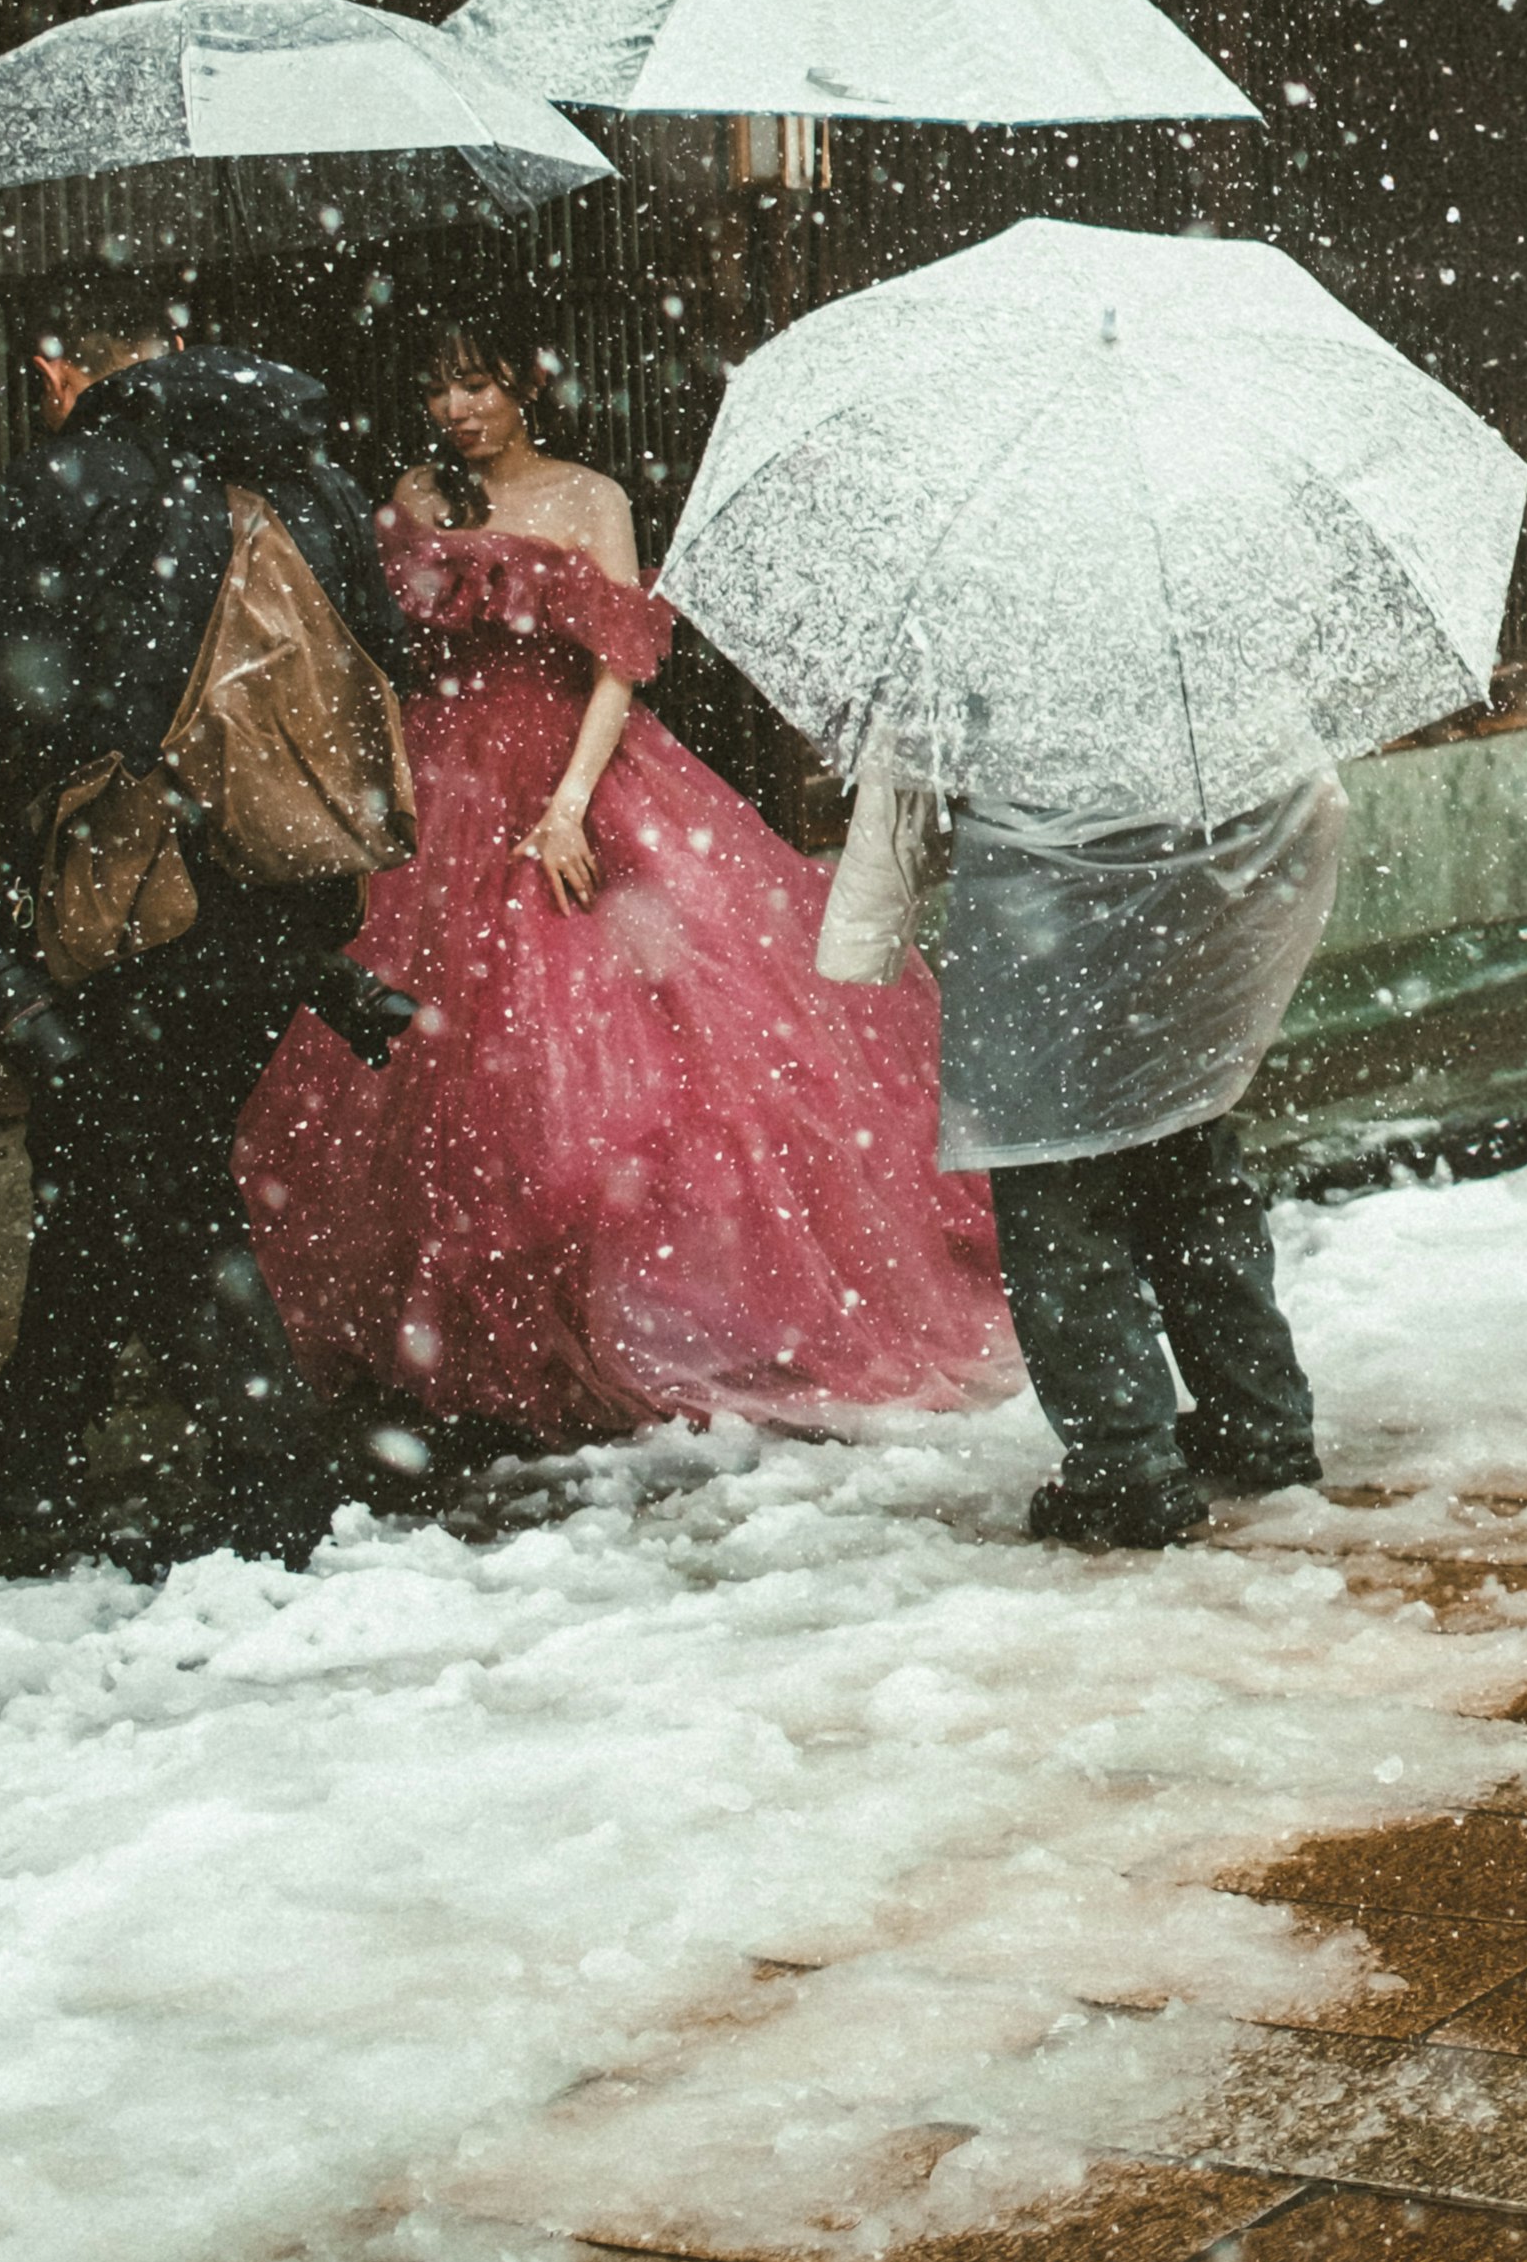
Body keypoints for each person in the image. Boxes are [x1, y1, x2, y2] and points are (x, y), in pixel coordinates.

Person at [235, 325, 1008, 1445]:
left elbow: (618, 667)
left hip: (572, 769)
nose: (457, 408)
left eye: (477, 382)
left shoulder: (589, 496)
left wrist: (564, 804)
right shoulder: (412, 492)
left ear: (524, 384)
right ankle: (460, 1329)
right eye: (437, 387)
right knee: (432, 1058)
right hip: (441, 775)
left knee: (629, 1057)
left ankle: (650, 1319)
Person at [0, 306, 415, 1551]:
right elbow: (385, 657)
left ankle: (271, 1478)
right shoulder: (309, 471)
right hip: (287, 885)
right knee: (105, 1167)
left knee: (147, 1173)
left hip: (143, 888)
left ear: (57, 370)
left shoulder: (71, 476)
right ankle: (24, 1457)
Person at [821, 720, 1346, 1550]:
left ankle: (1127, 1470)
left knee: (1058, 1201)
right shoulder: (1192, 620)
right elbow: (1304, 784)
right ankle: (1261, 1424)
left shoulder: (979, 619)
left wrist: (870, 930)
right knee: (1189, 1163)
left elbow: (907, 785)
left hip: (1040, 918)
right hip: (1185, 912)